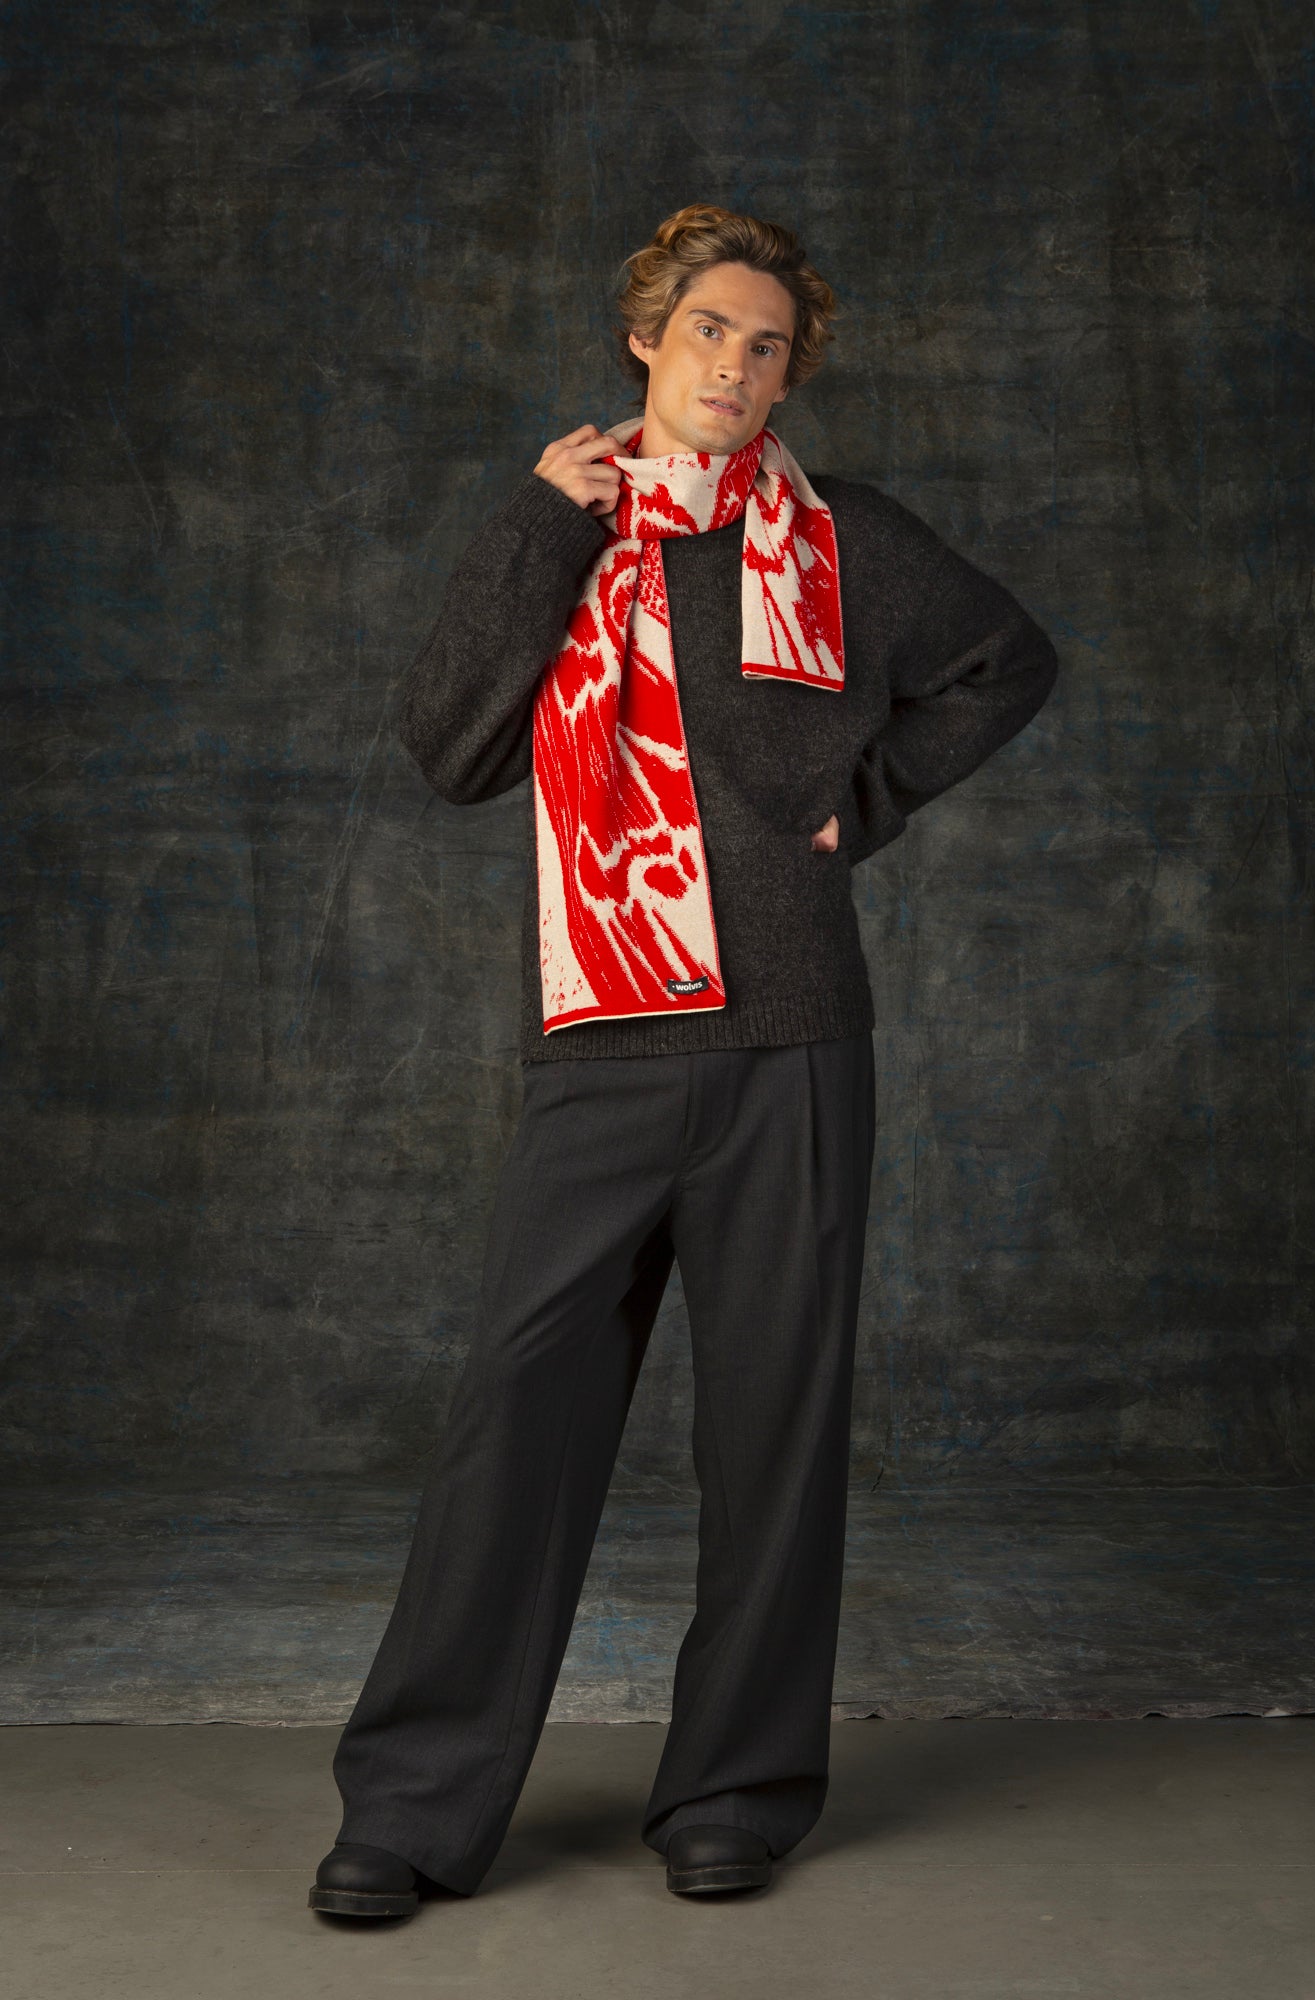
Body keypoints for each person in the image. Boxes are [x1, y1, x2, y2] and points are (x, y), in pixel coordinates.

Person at [309, 202, 1059, 1920]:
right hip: (604, 1040)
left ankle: (734, 1794)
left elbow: (1002, 661)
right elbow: (450, 749)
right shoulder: (560, 525)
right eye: (709, 329)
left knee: (774, 1431)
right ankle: (411, 1812)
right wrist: (534, 530)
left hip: (793, 1045)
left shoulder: (842, 538)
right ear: (645, 339)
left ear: (789, 377)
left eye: (767, 345)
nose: (735, 363)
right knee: (517, 1416)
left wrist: (865, 799)